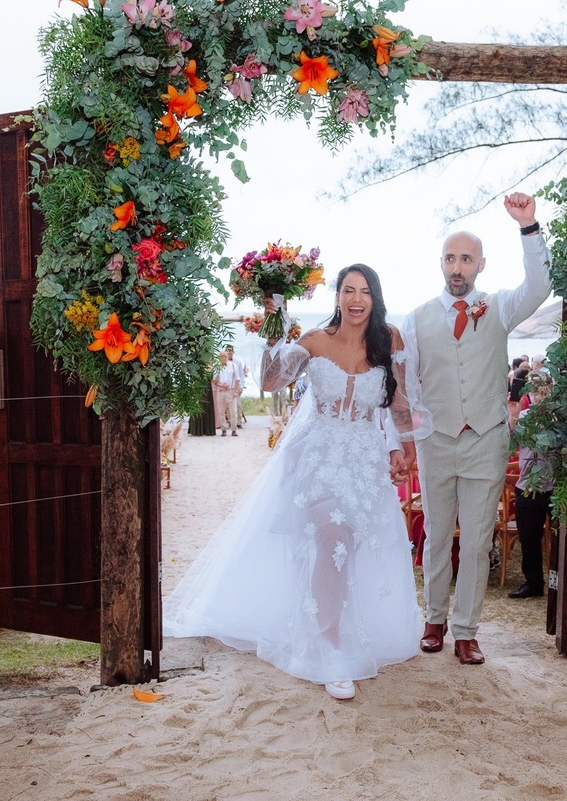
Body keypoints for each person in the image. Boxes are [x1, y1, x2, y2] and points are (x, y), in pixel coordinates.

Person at [164, 264, 424, 701]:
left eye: (364, 291)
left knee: (348, 548)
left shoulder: (389, 340)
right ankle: (330, 648)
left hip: (364, 460)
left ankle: (336, 626)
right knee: (331, 537)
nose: (356, 299)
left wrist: (404, 446)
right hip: (317, 457)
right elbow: (270, 381)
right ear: (337, 296)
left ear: (375, 298)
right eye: (348, 290)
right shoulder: (315, 341)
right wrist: (273, 332)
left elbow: (398, 401)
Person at [401, 192, 551, 665]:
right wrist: (417, 433)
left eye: (466, 259)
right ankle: (434, 620)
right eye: (450, 258)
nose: (457, 267)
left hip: (486, 440)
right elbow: (408, 385)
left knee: (479, 538)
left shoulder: (500, 307)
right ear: (441, 264)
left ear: (480, 265)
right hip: (436, 441)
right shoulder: (416, 319)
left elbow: (540, 285)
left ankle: (466, 630)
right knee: (436, 534)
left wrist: (528, 227)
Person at [509, 371, 554, 599]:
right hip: (527, 486)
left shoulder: (559, 418)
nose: (536, 391)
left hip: (555, 488)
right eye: (532, 386)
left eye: (540, 386)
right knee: (528, 538)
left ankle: (560, 583)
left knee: (560, 540)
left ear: (550, 388)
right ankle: (533, 583)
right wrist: (513, 413)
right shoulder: (523, 416)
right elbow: (508, 442)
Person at [212, 352, 240, 437]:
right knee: (221, 411)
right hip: (221, 391)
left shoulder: (233, 366)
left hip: (231, 390)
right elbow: (214, 381)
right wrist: (221, 385)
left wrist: (236, 391)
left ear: (227, 357)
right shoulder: (217, 367)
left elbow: (237, 379)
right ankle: (223, 429)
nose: (223, 358)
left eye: (224, 356)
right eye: (221, 357)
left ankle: (233, 429)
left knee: (233, 411)